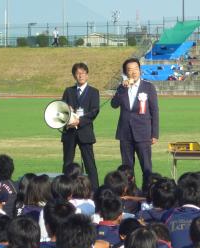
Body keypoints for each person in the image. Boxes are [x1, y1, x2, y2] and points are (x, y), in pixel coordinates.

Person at [111, 58, 159, 194]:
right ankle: (129, 194)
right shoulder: (122, 87)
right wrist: (122, 89)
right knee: (126, 168)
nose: (133, 72)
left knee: (146, 167)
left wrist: (155, 133)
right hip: (125, 133)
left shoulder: (148, 87)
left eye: (135, 69)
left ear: (140, 70)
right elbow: (114, 105)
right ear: (125, 72)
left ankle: (148, 193)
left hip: (143, 133)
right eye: (129, 70)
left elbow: (155, 111)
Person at [62, 62, 100, 191]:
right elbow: (62, 110)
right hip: (69, 132)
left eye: (83, 73)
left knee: (90, 164)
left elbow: (94, 111)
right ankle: (65, 189)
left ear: (87, 75)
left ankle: (95, 190)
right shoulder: (68, 91)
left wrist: (79, 121)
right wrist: (68, 114)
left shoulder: (94, 92)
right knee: (67, 163)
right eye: (78, 73)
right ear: (74, 76)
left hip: (85, 132)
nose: (81, 75)